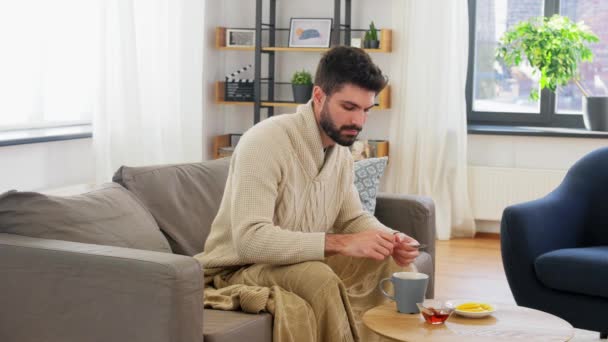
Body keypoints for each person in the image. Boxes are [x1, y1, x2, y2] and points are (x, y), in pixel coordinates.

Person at [196, 46, 421, 342]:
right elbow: (249, 241)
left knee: (393, 262)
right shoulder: (265, 141)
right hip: (238, 269)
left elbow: (352, 217)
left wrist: (392, 240)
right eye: (349, 107)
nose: (359, 121)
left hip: (296, 260)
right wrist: (340, 243)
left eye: (366, 110)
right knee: (317, 278)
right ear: (318, 96)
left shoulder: (340, 152)